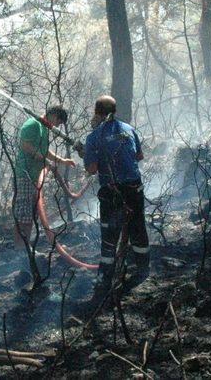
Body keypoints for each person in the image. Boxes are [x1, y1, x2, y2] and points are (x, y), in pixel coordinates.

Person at [78, 95, 149, 291]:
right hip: (134, 188)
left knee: (109, 234)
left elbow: (92, 169)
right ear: (114, 111)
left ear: (96, 112)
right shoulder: (128, 129)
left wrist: (85, 153)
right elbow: (139, 156)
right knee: (138, 226)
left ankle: (104, 279)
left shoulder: (94, 137)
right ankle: (142, 269)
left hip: (112, 191)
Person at [12, 106, 76, 281]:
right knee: (23, 214)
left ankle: (27, 249)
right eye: (58, 122)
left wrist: (61, 160)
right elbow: (26, 146)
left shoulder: (44, 129)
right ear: (53, 115)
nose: (57, 125)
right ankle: (20, 251)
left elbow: (43, 150)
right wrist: (45, 161)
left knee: (31, 215)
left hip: (34, 177)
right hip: (25, 175)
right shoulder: (33, 124)